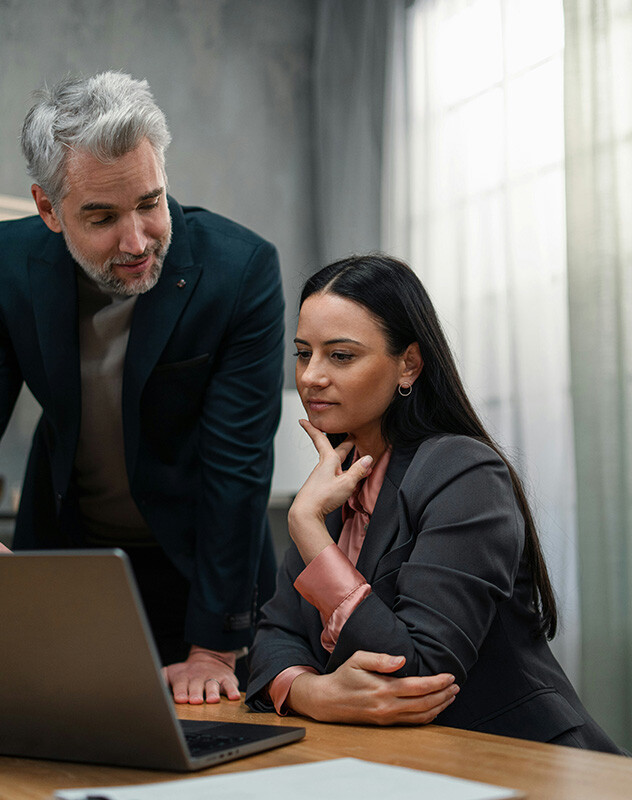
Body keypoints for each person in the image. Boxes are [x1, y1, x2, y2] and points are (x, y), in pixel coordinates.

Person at [0, 71, 285, 705]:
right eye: (102, 216)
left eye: (150, 202)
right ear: (48, 209)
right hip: (69, 558)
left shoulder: (241, 271)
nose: (137, 240)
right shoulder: (6, 261)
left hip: (204, 574)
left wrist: (211, 648)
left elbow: (238, 469)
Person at [246, 253, 622, 753]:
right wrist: (311, 692)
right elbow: (272, 640)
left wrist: (309, 532)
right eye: (302, 352)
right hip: (412, 764)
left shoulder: (463, 472)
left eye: (340, 356)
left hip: (524, 761)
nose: (311, 376)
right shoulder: (333, 486)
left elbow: (418, 675)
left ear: (409, 364)